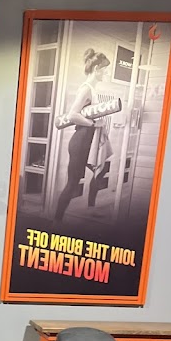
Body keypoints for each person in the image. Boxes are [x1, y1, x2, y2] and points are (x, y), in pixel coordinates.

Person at [53, 49, 111, 223]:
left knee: (101, 169)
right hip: (80, 143)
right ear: (96, 69)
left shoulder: (92, 89)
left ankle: (91, 208)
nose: (106, 73)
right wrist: (93, 124)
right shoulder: (86, 89)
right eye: (105, 70)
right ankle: (56, 221)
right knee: (73, 183)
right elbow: (72, 115)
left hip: (88, 142)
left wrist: (98, 123)